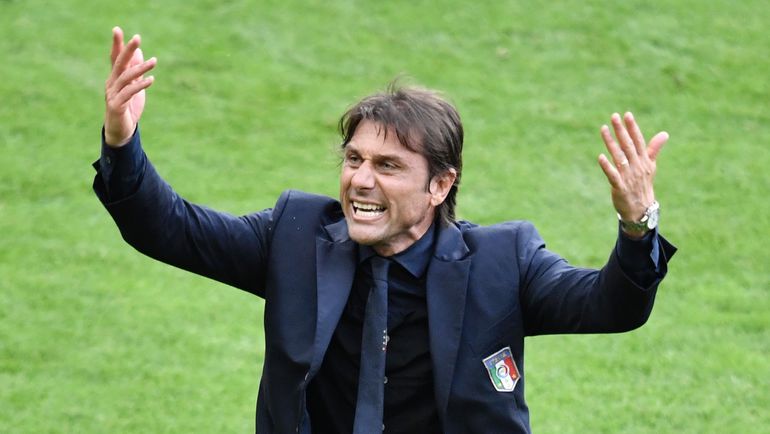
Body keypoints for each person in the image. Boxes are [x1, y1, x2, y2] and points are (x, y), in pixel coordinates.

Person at [94, 27, 676, 434]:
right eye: (354, 159)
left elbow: (611, 306)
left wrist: (636, 226)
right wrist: (122, 141)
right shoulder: (295, 236)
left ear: (440, 185)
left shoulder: (503, 261)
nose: (360, 180)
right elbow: (171, 229)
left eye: (388, 166)